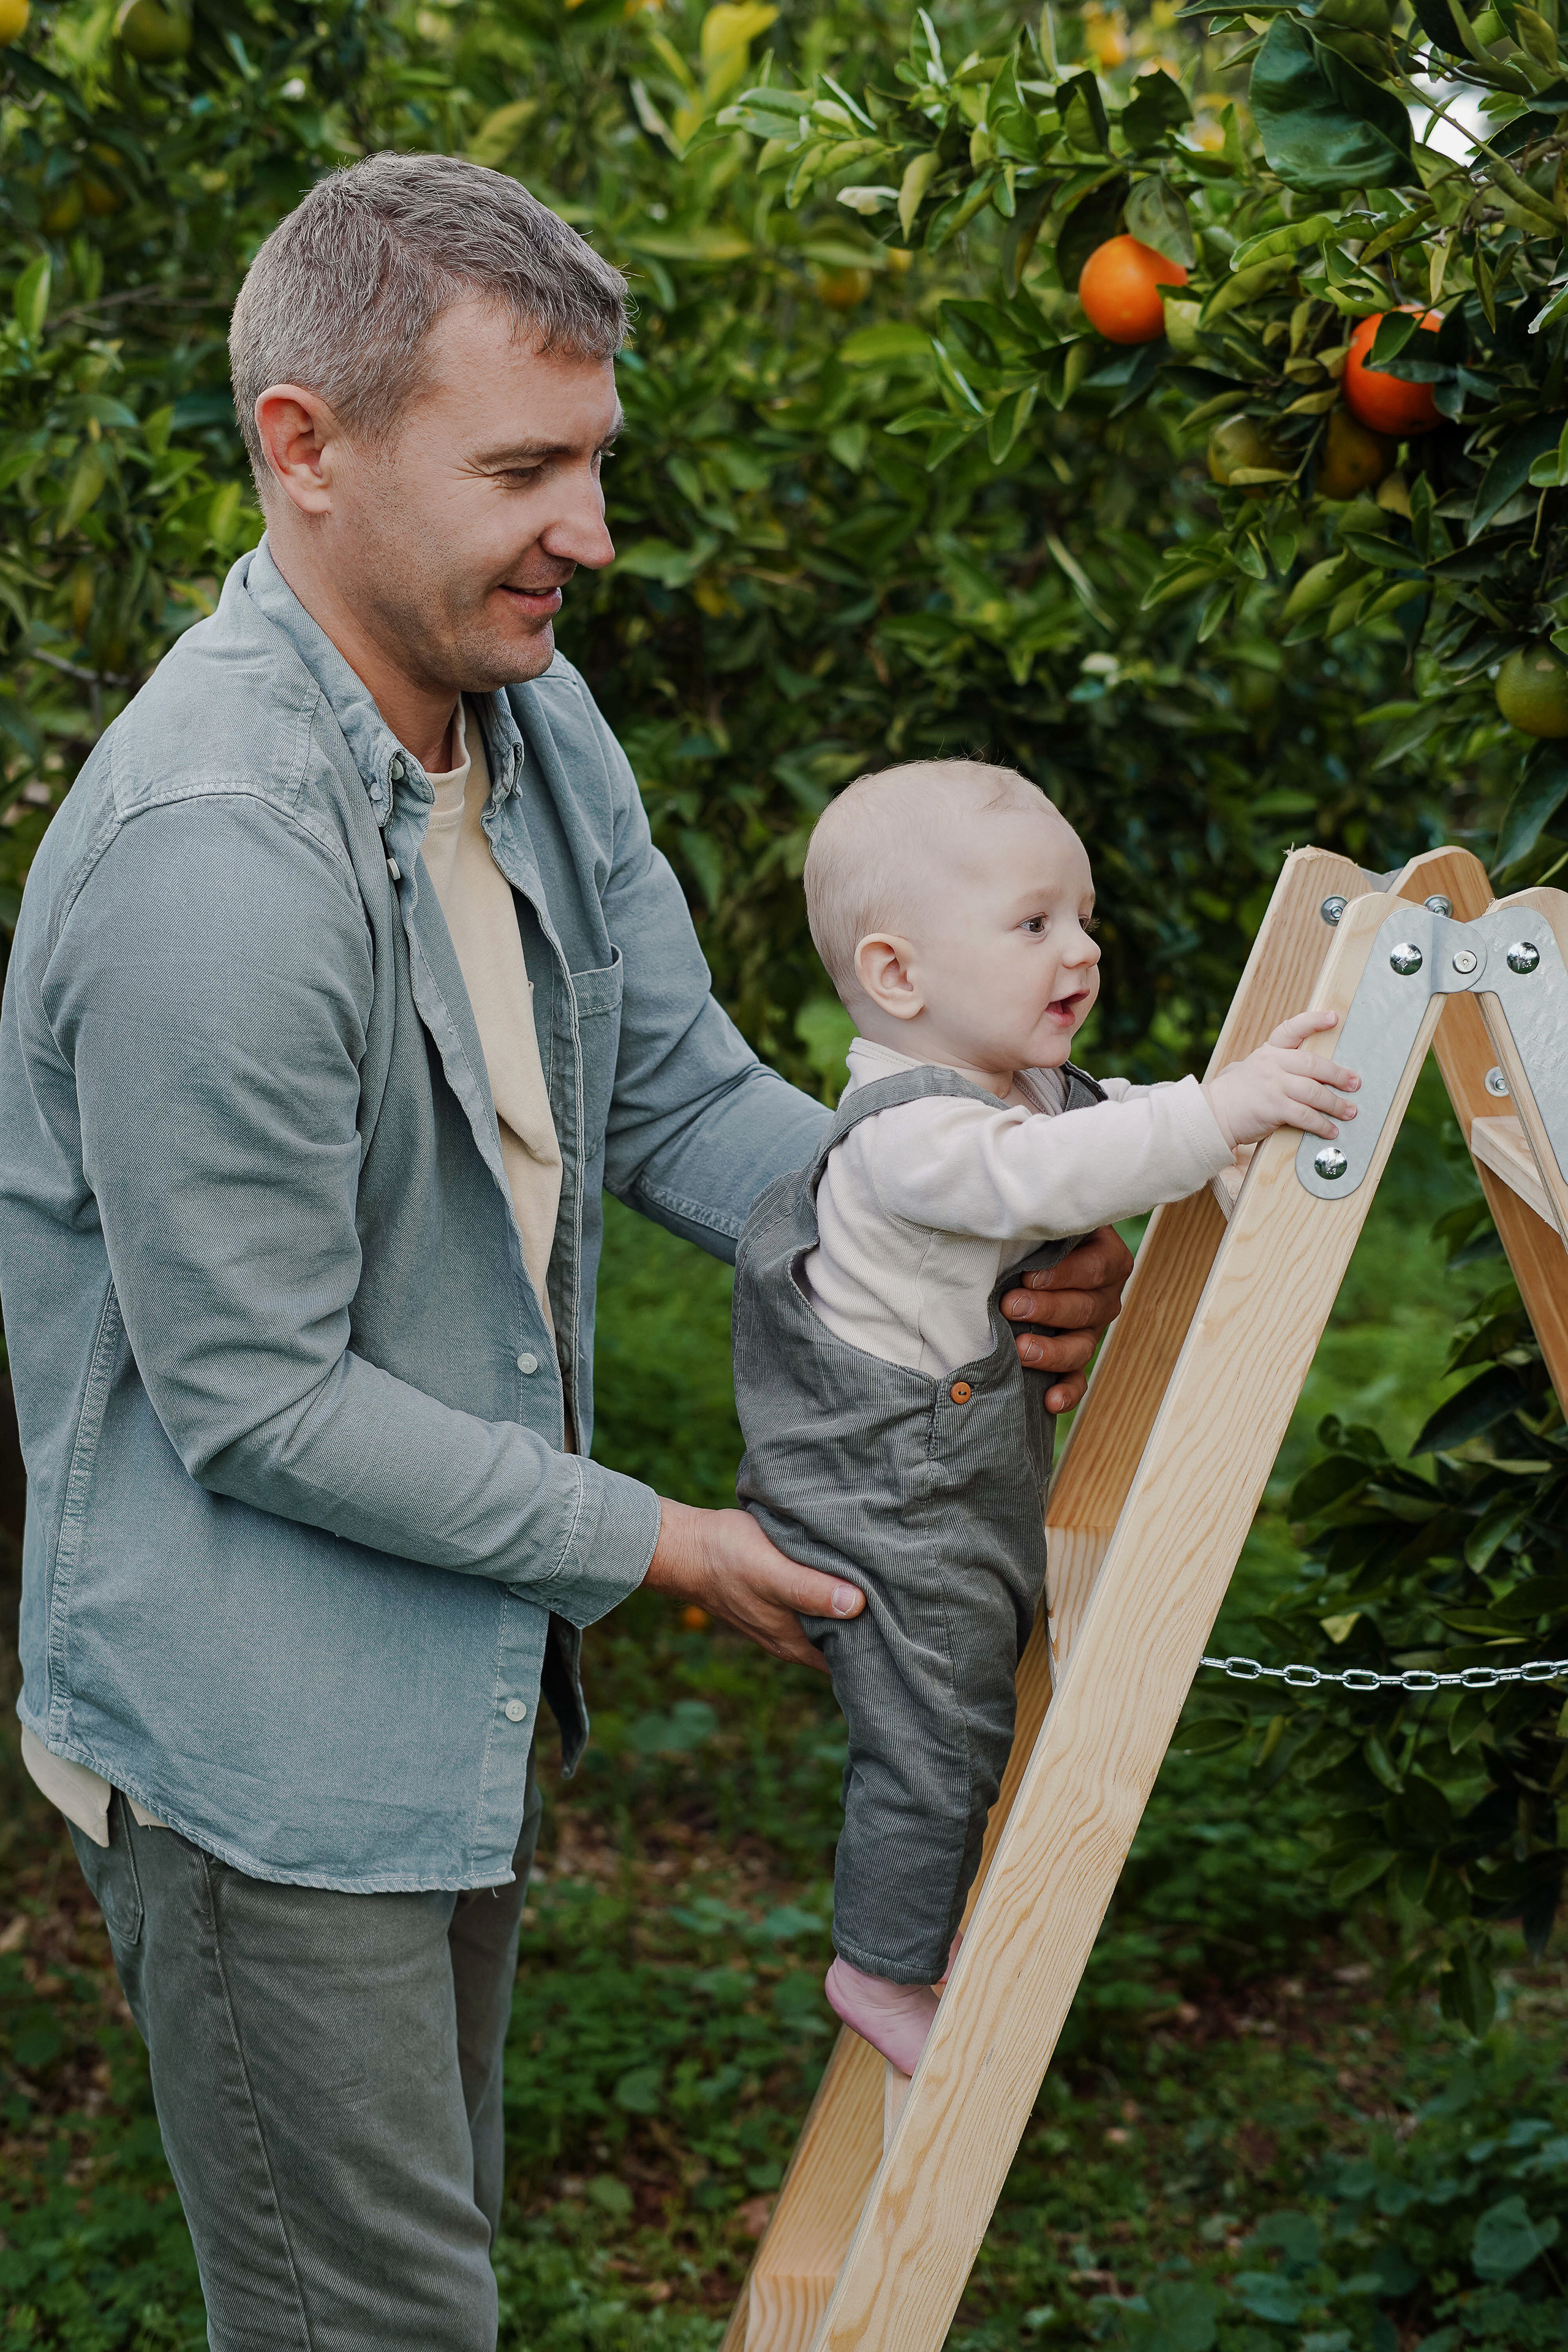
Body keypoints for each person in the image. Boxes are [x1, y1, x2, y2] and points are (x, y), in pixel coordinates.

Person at [0, 158, 1132, 2350]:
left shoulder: (524, 709)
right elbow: (252, 1395)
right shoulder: (217, 865)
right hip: (266, 1738)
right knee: (376, 2326)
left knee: (419, 2279)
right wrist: (659, 1544)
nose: (591, 536)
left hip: (441, 1690)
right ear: (302, 449)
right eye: (524, 471)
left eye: (594, 461)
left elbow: (683, 1095)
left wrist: (948, 1247)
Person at [733, 759, 1361, 2077]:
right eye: (1031, 926)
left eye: (1081, 919)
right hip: (869, 1501)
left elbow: (1115, 1125)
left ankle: (906, 1937)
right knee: (938, 1733)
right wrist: (1219, 1112)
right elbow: (1047, 1176)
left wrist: (1223, 1122)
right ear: (898, 979)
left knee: (982, 1694)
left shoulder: (1019, 1091)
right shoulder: (908, 1138)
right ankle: (880, 1964)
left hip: (949, 1482)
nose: (1077, 951)